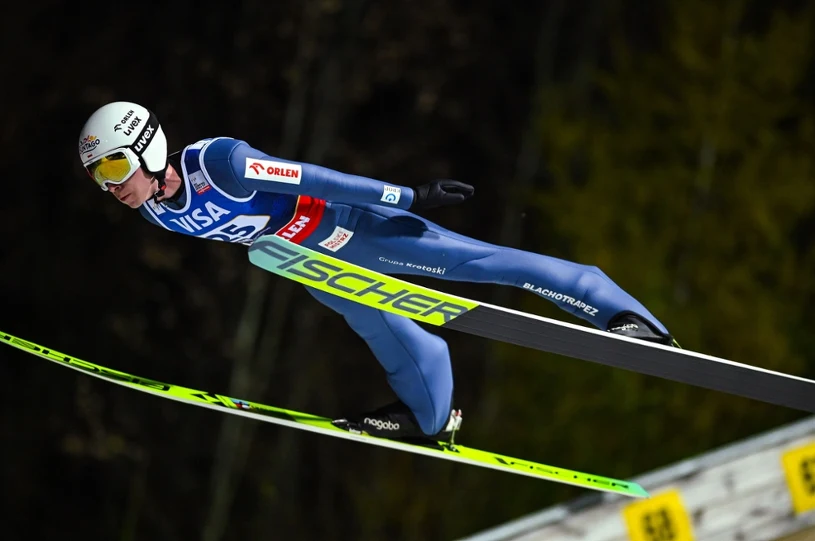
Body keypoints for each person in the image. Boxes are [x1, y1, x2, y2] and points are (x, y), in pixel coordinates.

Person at [78, 101, 677, 444]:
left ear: (148, 147)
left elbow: (313, 177)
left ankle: (625, 316)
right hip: (309, 261)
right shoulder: (156, 212)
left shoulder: (221, 163)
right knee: (381, 328)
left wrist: (407, 197)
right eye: (98, 177)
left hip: (357, 229)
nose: (110, 186)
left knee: (484, 264)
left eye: (113, 166)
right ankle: (432, 417)